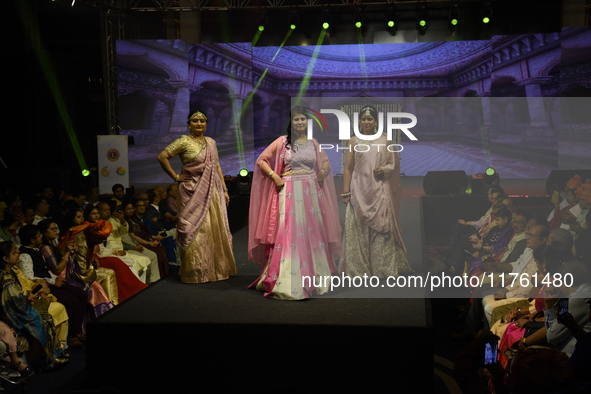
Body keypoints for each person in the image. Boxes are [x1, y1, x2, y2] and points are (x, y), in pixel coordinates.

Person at [248, 106, 342, 300]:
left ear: (308, 122)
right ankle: (290, 278)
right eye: (296, 119)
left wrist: (323, 171)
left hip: (311, 193)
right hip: (288, 192)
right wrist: (274, 176)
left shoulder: (313, 142)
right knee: (289, 233)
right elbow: (261, 160)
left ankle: (314, 278)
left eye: (303, 120)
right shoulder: (282, 142)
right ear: (291, 122)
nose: (300, 123)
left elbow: (324, 162)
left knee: (313, 232)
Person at [157, 110, 237, 283]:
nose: (199, 123)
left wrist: (224, 189)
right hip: (191, 190)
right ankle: (195, 271)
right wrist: (176, 177)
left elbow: (216, 166)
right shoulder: (183, 141)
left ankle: (215, 269)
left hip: (212, 190)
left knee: (213, 227)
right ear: (189, 124)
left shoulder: (211, 142)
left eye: (202, 121)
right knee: (194, 229)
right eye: (195, 121)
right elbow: (162, 157)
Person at [339, 105, 413, 278]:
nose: (366, 121)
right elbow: (348, 168)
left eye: (369, 119)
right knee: (358, 230)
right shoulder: (353, 141)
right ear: (359, 121)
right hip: (358, 191)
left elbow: (392, 165)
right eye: (363, 119)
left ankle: (383, 269)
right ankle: (359, 269)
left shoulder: (385, 140)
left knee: (382, 228)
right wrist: (345, 193)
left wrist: (384, 170)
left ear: (375, 121)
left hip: (379, 191)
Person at [0, 241, 68, 370]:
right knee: (40, 319)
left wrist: (28, 297)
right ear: (5, 258)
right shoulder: (5, 278)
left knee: (44, 316)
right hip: (13, 314)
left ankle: (54, 356)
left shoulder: (10, 272)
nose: (18, 252)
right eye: (14, 252)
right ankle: (47, 361)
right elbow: (11, 303)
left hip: (19, 308)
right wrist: (28, 298)